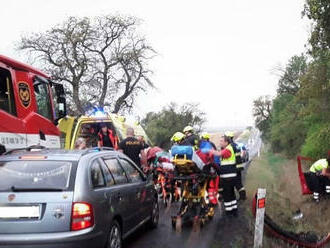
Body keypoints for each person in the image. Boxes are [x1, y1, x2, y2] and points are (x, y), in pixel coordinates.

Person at [212, 135, 238, 216]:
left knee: (226, 195)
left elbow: (219, 153)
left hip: (228, 177)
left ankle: (229, 212)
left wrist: (211, 151)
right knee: (231, 194)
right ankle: (234, 210)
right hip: (230, 176)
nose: (220, 142)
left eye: (221, 141)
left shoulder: (228, 149)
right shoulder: (228, 148)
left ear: (226, 142)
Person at [225, 131, 246, 201]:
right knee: (239, 183)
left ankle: (234, 198)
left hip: (233, 168)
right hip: (239, 167)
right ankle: (243, 197)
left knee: (232, 183)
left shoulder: (229, 147)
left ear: (228, 138)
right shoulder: (236, 145)